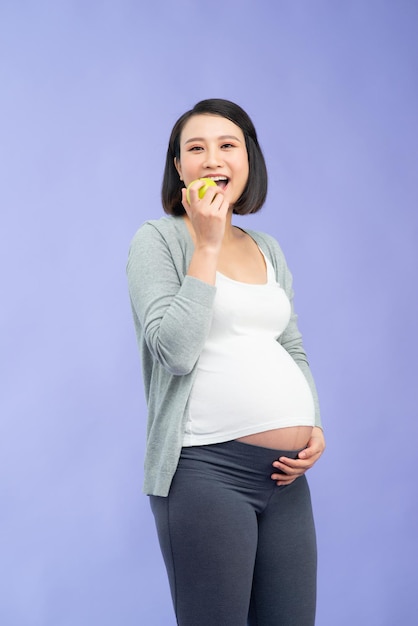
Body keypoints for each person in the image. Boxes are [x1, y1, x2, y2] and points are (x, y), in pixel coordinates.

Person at [127, 98, 326, 626]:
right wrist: (207, 247)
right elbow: (173, 351)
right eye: (196, 148)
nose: (213, 158)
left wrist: (314, 426)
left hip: (286, 481)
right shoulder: (159, 240)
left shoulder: (268, 248)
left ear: (248, 160)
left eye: (227, 145)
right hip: (205, 475)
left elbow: (291, 346)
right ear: (178, 168)